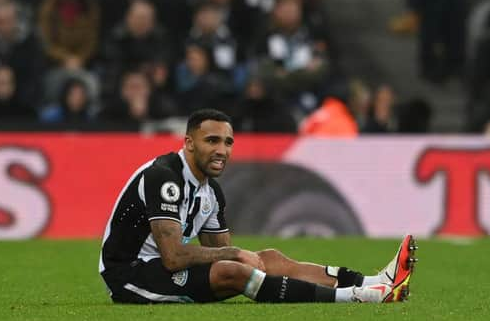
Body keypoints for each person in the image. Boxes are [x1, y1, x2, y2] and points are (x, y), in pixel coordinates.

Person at [99, 108, 418, 304]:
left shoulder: (211, 193)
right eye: (212, 141)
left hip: (162, 270)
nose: (221, 150)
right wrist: (234, 255)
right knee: (232, 269)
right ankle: (355, 298)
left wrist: (246, 259)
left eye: (227, 142)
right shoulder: (163, 178)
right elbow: (173, 257)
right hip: (130, 276)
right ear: (189, 143)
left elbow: (219, 251)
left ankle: (374, 282)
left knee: (268, 259)